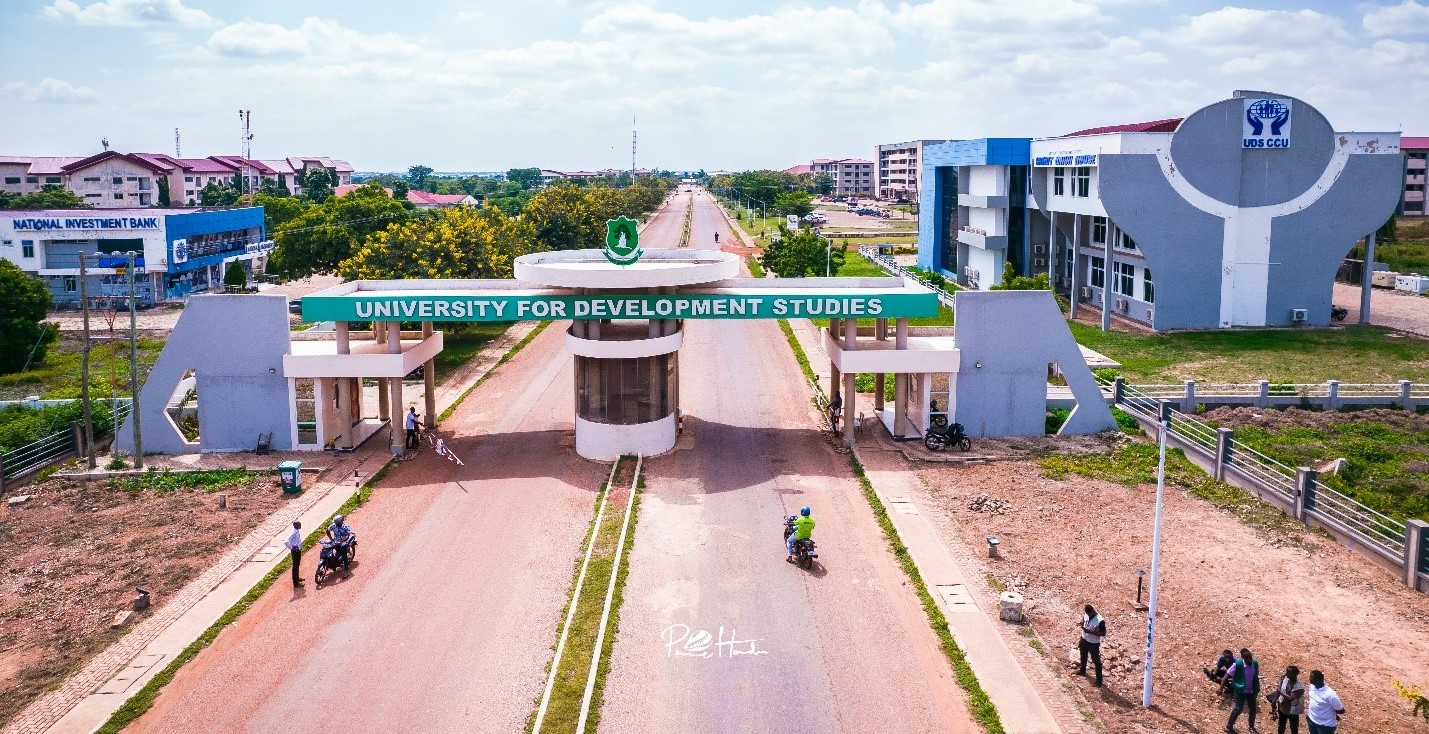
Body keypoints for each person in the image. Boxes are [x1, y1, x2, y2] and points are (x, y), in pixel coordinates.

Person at [1221, 648, 1261, 733]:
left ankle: (1251, 727)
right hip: (1240, 690)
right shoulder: (1237, 665)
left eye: (1250, 657)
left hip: (1251, 691)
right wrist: (1221, 688)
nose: (1249, 659)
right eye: (1247, 658)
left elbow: (1255, 676)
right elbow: (1226, 676)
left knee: (1253, 709)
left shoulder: (1255, 664)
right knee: (1238, 708)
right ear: (1242, 658)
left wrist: (1256, 690)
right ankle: (1229, 727)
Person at [1076, 605, 1105, 686]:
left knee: (1096, 661)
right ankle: (1082, 671)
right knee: (1083, 655)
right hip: (1084, 639)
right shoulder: (1086, 614)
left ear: (1092, 611)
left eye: (1089, 614)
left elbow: (1103, 633)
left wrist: (1090, 632)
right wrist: (1081, 622)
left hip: (1093, 643)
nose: (1088, 615)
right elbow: (1084, 619)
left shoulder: (1100, 620)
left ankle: (1099, 681)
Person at [1276, 665, 1306, 734]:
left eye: (1288, 673)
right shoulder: (1284, 678)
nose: (1286, 673)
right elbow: (1279, 687)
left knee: (1294, 728)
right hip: (1282, 707)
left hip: (1292, 711)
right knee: (1281, 725)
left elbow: (1290, 698)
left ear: (1294, 675)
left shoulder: (1299, 687)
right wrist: (1274, 701)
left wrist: (1279, 690)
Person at [285, 520, 303, 587]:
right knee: (295, 567)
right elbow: (286, 541)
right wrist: (291, 548)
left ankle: (297, 578)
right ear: (296, 526)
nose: (300, 526)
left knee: (297, 565)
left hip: (298, 550)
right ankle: (296, 583)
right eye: (299, 525)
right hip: (295, 552)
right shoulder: (293, 532)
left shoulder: (296, 530)